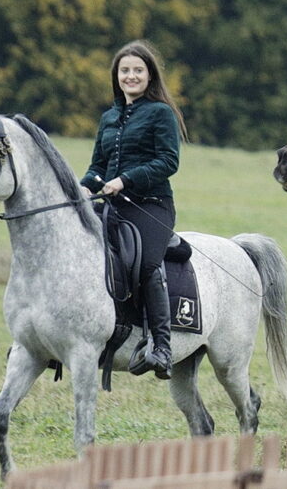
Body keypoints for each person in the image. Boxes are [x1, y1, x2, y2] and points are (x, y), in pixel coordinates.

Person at [80, 40, 187, 381]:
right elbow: (98, 166)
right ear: (117, 75)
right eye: (125, 70)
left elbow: (168, 161)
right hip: (112, 204)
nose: (131, 76)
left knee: (146, 265)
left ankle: (162, 348)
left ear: (149, 74)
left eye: (138, 70)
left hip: (152, 206)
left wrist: (126, 180)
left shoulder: (161, 113)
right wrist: (83, 188)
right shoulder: (109, 117)